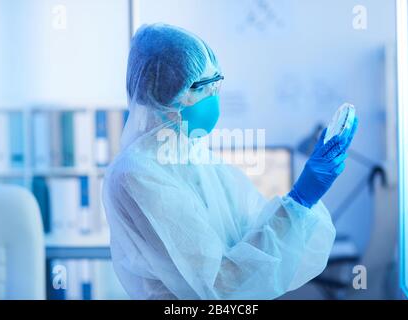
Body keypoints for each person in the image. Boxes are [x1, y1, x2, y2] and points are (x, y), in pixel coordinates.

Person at [102, 23, 358, 300]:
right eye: (202, 86)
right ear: (159, 94)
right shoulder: (136, 175)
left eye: (217, 83)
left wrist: (301, 203)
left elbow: (251, 235)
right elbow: (219, 284)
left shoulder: (196, 158)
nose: (214, 96)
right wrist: (299, 201)